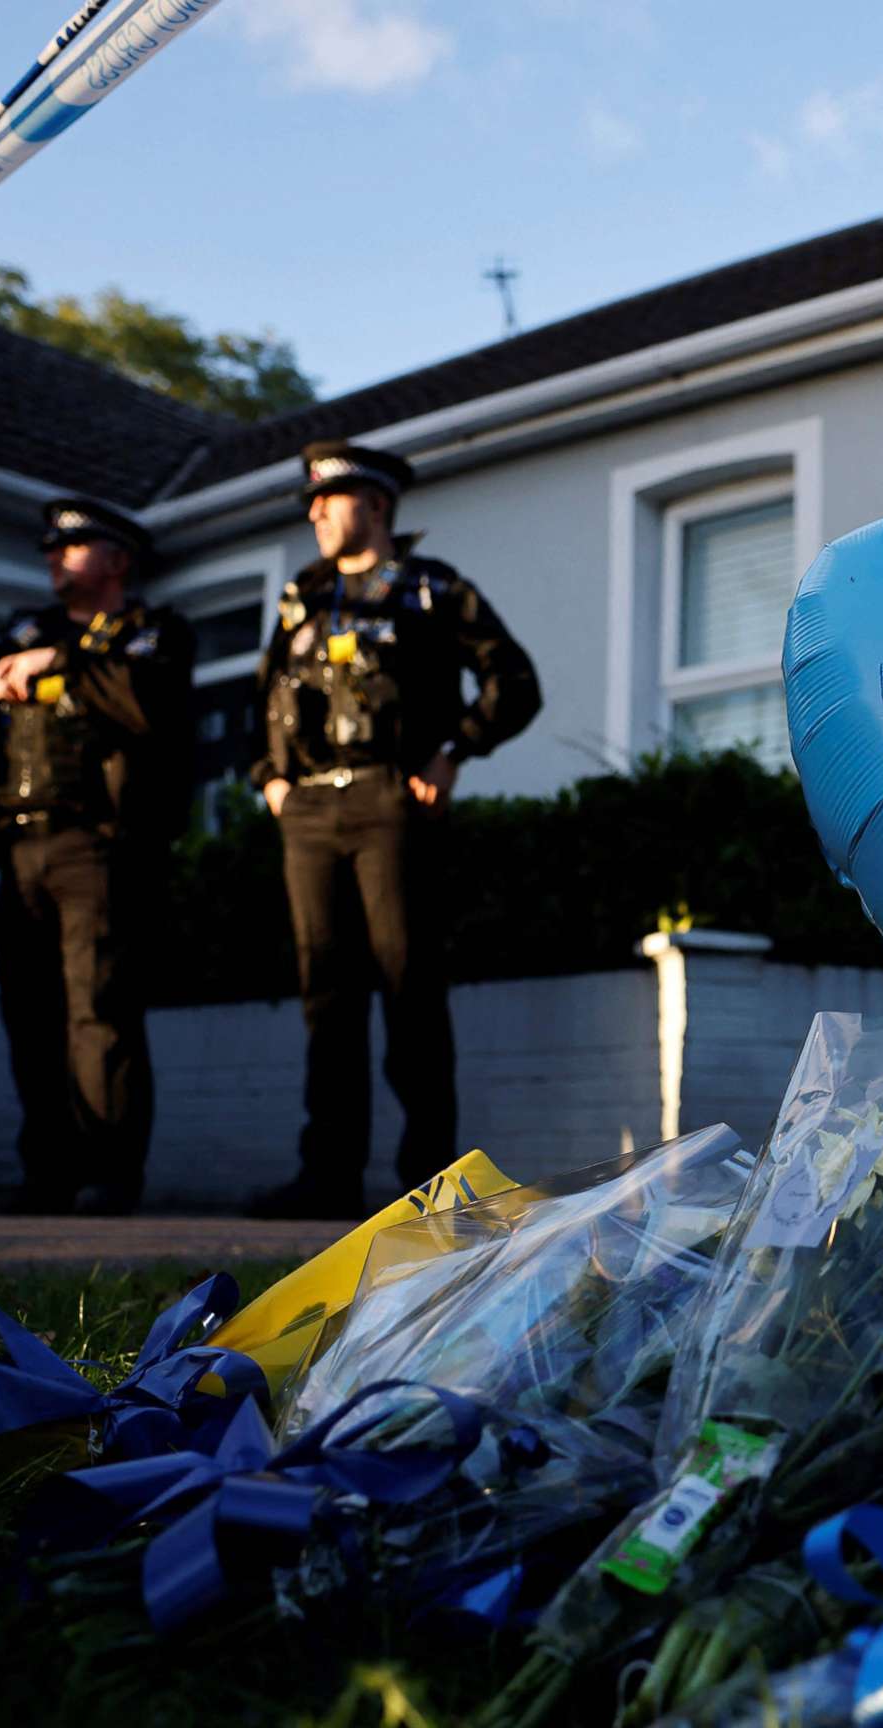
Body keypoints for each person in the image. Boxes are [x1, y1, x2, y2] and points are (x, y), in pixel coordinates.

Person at [245, 440, 541, 1218]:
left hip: (390, 804)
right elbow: (261, 699)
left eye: (327, 499)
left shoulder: (431, 591)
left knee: (409, 987)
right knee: (325, 995)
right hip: (307, 808)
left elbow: (514, 680)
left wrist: (453, 752)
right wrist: (271, 782)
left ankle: (428, 1187)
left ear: (375, 504)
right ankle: (327, 1178)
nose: (313, 512)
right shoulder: (299, 596)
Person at [0, 498, 195, 1215]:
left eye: (71, 546)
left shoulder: (150, 632)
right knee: (30, 1013)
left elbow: (150, 706)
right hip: (15, 849)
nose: (52, 557)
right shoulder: (19, 633)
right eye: (50, 547)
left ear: (117, 560)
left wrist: (61, 662)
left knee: (97, 1011)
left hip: (95, 846)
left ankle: (110, 1175)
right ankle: (49, 1173)